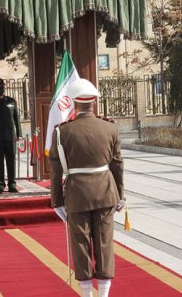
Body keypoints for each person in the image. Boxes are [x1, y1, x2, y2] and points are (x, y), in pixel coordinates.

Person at [49, 78, 125, 297]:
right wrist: (121, 196)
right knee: (104, 243)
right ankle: (103, 294)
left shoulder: (62, 131)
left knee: (80, 244)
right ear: (94, 102)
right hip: (106, 193)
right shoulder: (110, 127)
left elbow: (55, 170)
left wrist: (57, 201)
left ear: (73, 103)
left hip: (76, 195)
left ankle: (86, 294)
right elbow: (117, 165)